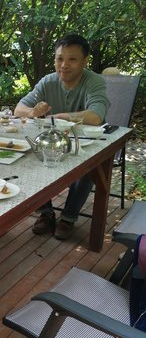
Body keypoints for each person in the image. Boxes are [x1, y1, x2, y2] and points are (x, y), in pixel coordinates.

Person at [14, 33, 110, 240]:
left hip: (86, 143)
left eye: (72, 59)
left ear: (84, 61)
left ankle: (68, 217)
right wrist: (32, 112)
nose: (64, 65)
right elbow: (18, 109)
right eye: (60, 59)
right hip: (53, 143)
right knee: (28, 156)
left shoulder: (94, 82)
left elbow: (96, 116)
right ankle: (46, 213)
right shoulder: (48, 82)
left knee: (89, 166)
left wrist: (61, 116)